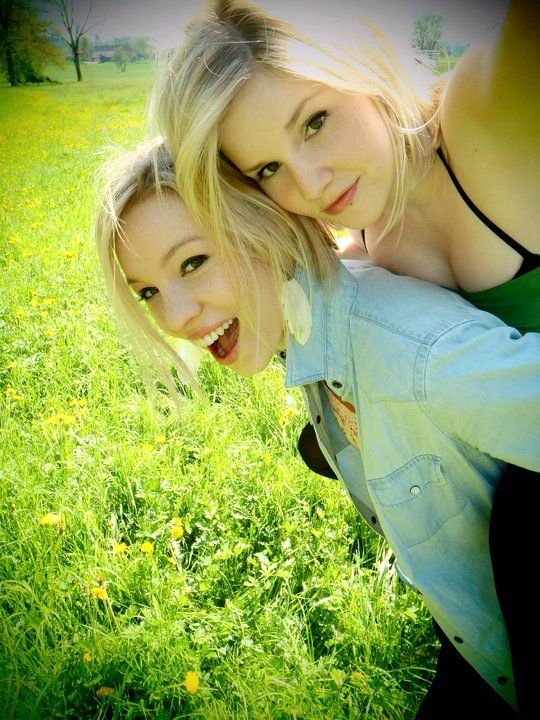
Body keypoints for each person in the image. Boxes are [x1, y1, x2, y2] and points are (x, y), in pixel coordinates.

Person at [149, 3, 539, 711]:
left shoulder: (482, 115)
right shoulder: (363, 246)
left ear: (358, 65)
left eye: (315, 121)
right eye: (269, 168)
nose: (311, 182)